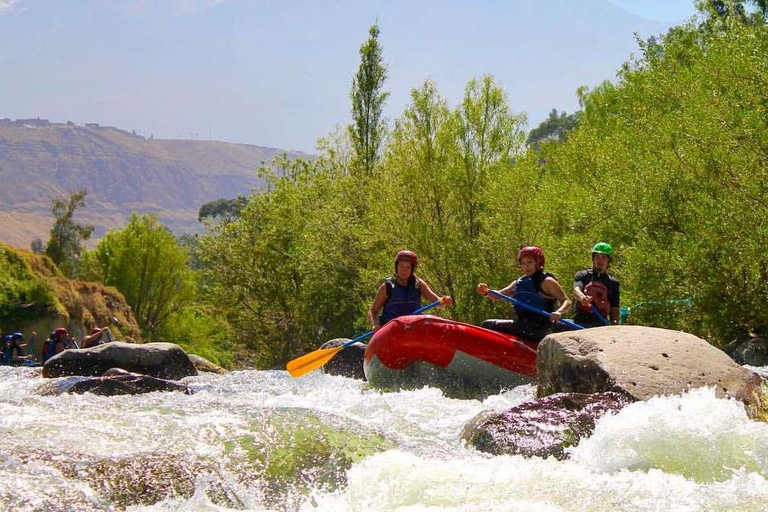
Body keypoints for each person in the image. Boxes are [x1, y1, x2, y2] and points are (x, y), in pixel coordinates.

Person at [477, 246, 571, 342]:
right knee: (488, 324)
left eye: (529, 262)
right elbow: (499, 296)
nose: (526, 266)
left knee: (488, 324)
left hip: (542, 328)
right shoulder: (519, 282)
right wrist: (486, 292)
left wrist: (559, 312)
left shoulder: (547, 281)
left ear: (538, 263)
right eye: (523, 263)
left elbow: (566, 301)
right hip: (523, 324)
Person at [368, 250, 453, 331]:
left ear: (412, 269)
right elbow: (373, 310)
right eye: (401, 266)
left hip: (414, 329)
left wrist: (444, 300)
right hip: (392, 330)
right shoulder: (387, 286)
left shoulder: (418, 284)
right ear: (396, 267)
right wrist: (375, 324)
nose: (403, 270)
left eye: (408, 267)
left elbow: (437, 301)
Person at [573, 242, 621, 327]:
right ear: (593, 259)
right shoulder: (582, 275)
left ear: (608, 261)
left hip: (600, 323)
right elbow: (576, 289)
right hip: (580, 322)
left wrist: (615, 325)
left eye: (603, 257)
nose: (600, 260)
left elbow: (615, 307)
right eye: (597, 257)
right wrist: (582, 297)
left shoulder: (613, 283)